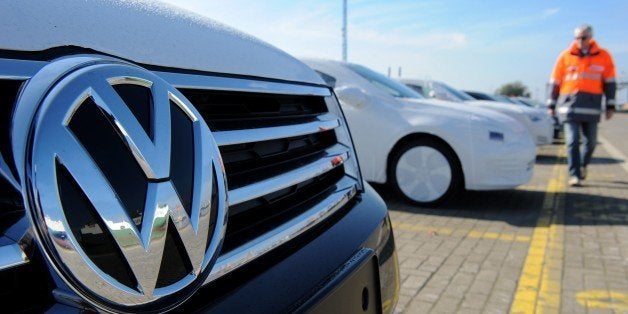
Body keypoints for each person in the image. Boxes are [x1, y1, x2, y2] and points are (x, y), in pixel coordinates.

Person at [547, 24, 617, 186]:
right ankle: (575, 174)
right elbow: (555, 82)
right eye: (576, 37)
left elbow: (610, 82)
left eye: (583, 37)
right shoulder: (565, 56)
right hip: (569, 107)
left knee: (591, 142)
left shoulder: (603, 56)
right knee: (572, 141)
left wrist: (610, 106)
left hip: (591, 108)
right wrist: (551, 105)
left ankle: (583, 166)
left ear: (591, 38)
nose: (579, 41)